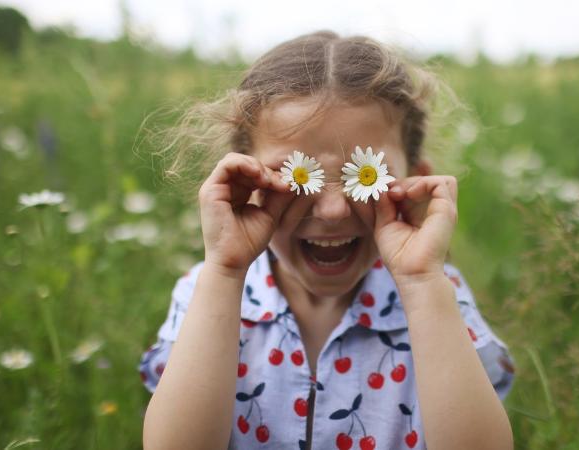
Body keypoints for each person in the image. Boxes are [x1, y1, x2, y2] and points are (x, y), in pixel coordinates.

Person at [139, 30, 515, 450]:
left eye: (366, 175)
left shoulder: (438, 297)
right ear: (246, 180)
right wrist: (225, 271)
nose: (333, 210)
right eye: (296, 176)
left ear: (414, 182)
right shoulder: (206, 293)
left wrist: (421, 283)